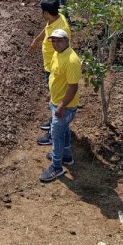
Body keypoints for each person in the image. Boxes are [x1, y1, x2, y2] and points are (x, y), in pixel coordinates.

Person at [39, 29, 81, 183]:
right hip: (57, 102)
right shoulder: (58, 53)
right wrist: (53, 97)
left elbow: (72, 87)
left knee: (56, 136)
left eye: (59, 40)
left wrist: (62, 106)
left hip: (65, 106)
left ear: (67, 40)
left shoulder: (71, 60)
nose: (56, 43)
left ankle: (56, 167)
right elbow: (56, 77)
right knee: (63, 131)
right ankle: (67, 157)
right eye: (53, 40)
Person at [29, 0, 72, 145]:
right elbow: (46, 29)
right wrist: (36, 40)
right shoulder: (55, 18)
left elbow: (64, 53)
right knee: (53, 99)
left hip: (55, 70)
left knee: (56, 100)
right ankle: (52, 120)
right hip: (49, 67)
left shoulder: (62, 29)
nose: (41, 14)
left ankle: (53, 134)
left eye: (42, 12)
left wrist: (56, 73)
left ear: (46, 13)